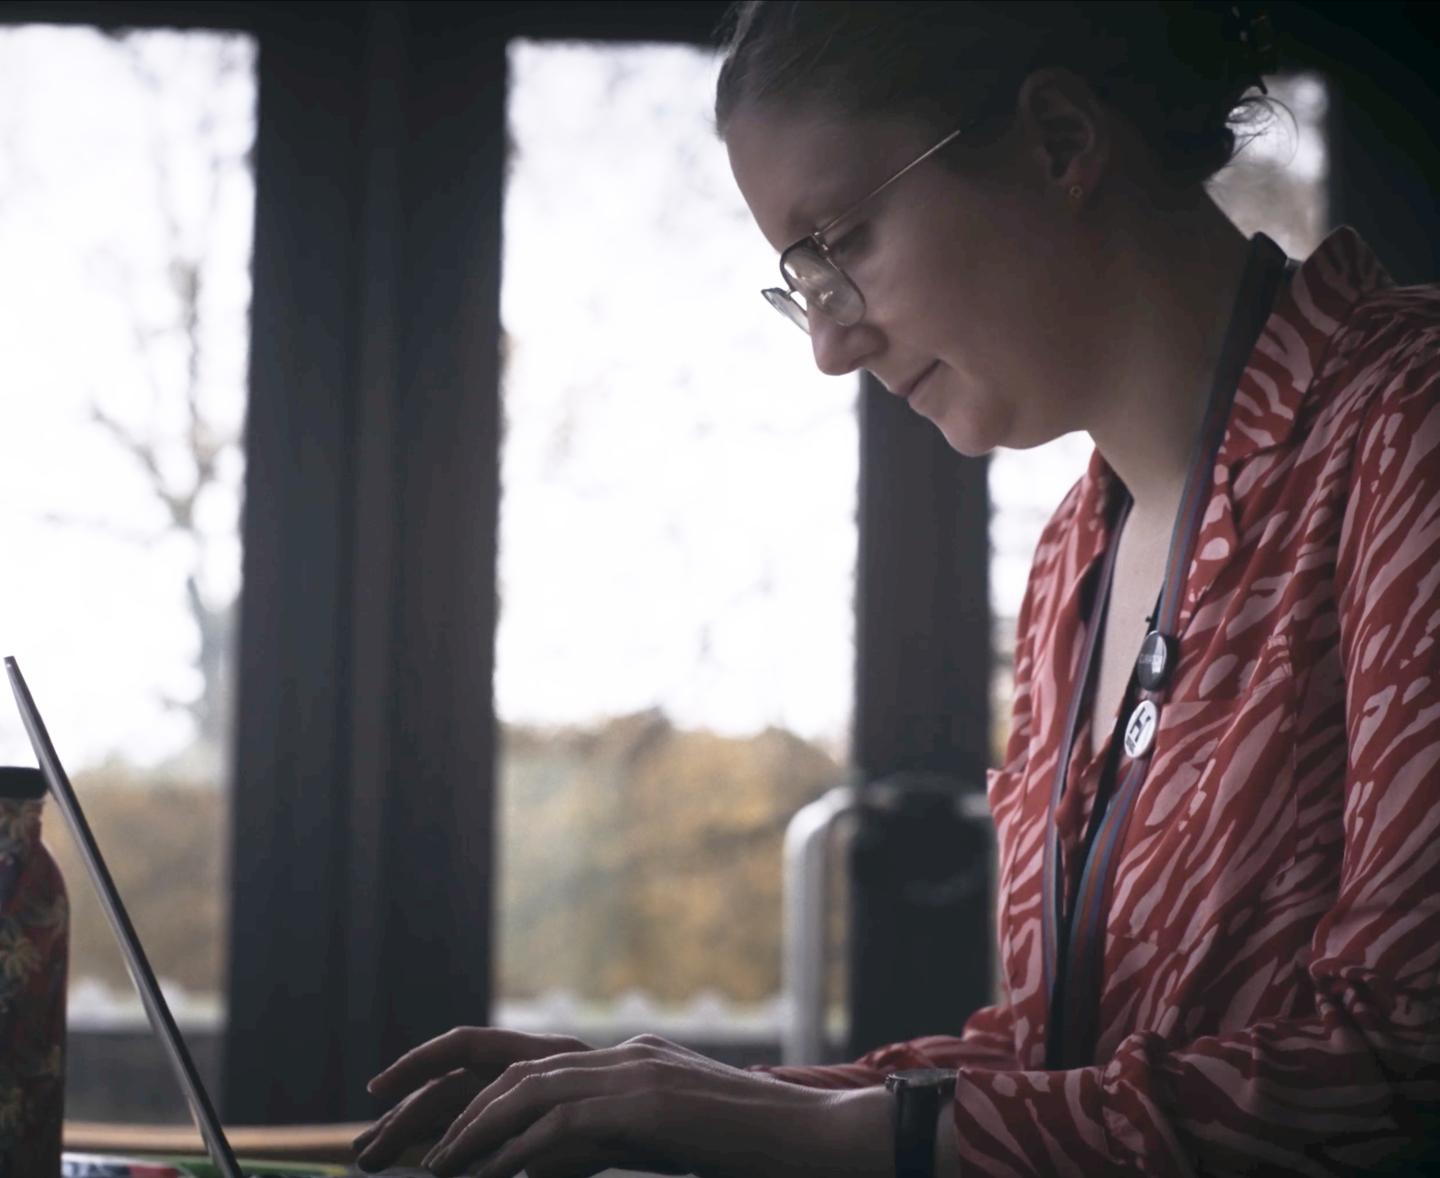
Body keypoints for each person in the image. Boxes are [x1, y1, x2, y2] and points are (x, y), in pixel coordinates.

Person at [353, 3, 1440, 1175]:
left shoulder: (1407, 425)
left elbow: (1402, 1070)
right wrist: (668, 1095)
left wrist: (763, 1119)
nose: (828, 344)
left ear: (1062, 140)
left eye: (844, 239)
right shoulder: (1077, 549)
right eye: (801, 279)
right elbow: (1053, 1068)